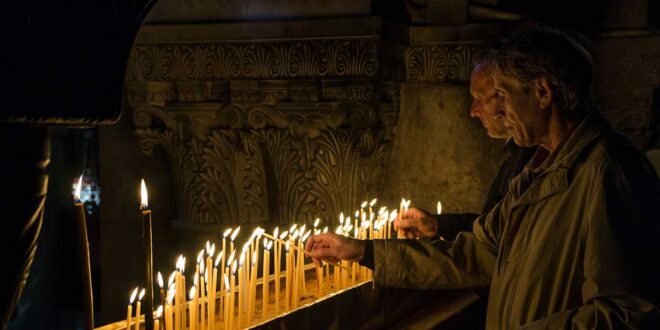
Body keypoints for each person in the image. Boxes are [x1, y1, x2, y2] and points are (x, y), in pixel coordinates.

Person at [306, 27, 660, 329]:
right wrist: (364, 251)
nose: (499, 110)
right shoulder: (537, 172)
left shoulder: (609, 172)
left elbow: (627, 312)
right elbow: (475, 252)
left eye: (504, 95)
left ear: (542, 93)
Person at [396, 56, 535, 241]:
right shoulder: (517, 153)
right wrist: (438, 225)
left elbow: (499, 240)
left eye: (479, 98)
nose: (473, 111)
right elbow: (491, 227)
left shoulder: (534, 159)